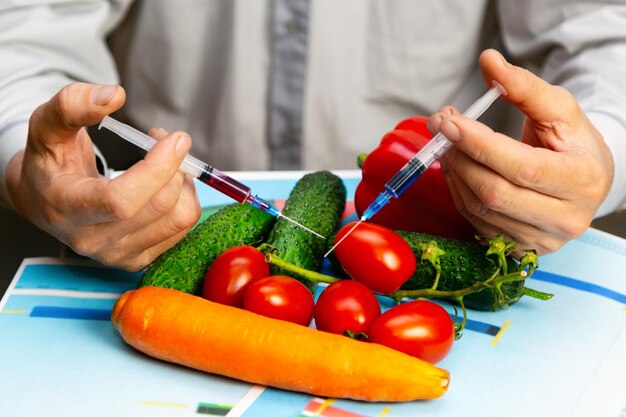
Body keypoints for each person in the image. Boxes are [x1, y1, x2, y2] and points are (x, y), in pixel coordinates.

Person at [1, 1, 625, 271]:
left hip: (452, 214)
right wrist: (29, 152)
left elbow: (606, 32)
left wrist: (599, 150)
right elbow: (19, 27)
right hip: (149, 217)